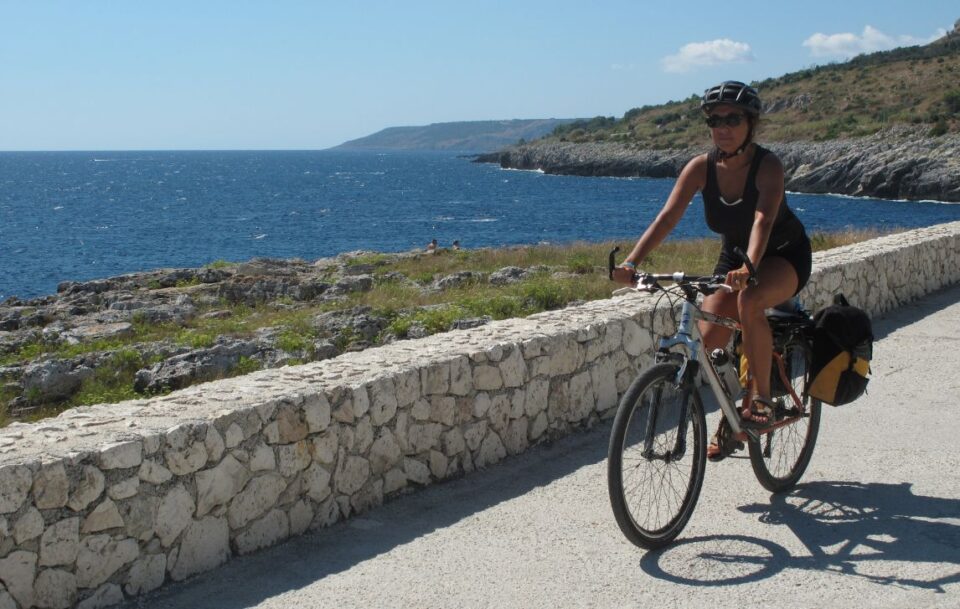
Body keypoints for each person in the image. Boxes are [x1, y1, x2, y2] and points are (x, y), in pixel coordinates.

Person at [611, 81, 812, 458]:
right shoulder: (701, 167)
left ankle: (762, 399)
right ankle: (732, 413)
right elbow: (667, 218)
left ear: (751, 123)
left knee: (750, 301)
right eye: (714, 119)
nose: (722, 126)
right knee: (707, 343)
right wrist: (631, 263)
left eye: (732, 118)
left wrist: (749, 266)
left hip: (783, 254)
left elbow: (762, 220)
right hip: (734, 259)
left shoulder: (768, 166)